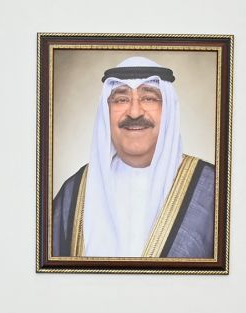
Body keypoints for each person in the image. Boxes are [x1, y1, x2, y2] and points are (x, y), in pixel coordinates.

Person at [51, 56, 216, 258]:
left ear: (168, 110)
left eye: (149, 98)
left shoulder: (211, 190)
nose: (135, 112)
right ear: (107, 111)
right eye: (121, 99)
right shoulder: (74, 192)